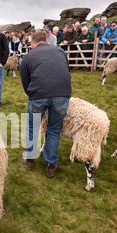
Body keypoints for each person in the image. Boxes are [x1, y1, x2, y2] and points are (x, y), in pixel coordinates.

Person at [20, 31, 72, 178]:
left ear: (33, 43)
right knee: (54, 129)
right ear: (46, 40)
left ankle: (30, 159)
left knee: (32, 126)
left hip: (38, 95)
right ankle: (50, 164)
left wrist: (31, 94)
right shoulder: (60, 51)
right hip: (62, 93)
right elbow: (66, 70)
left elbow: (25, 81)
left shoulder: (29, 56)